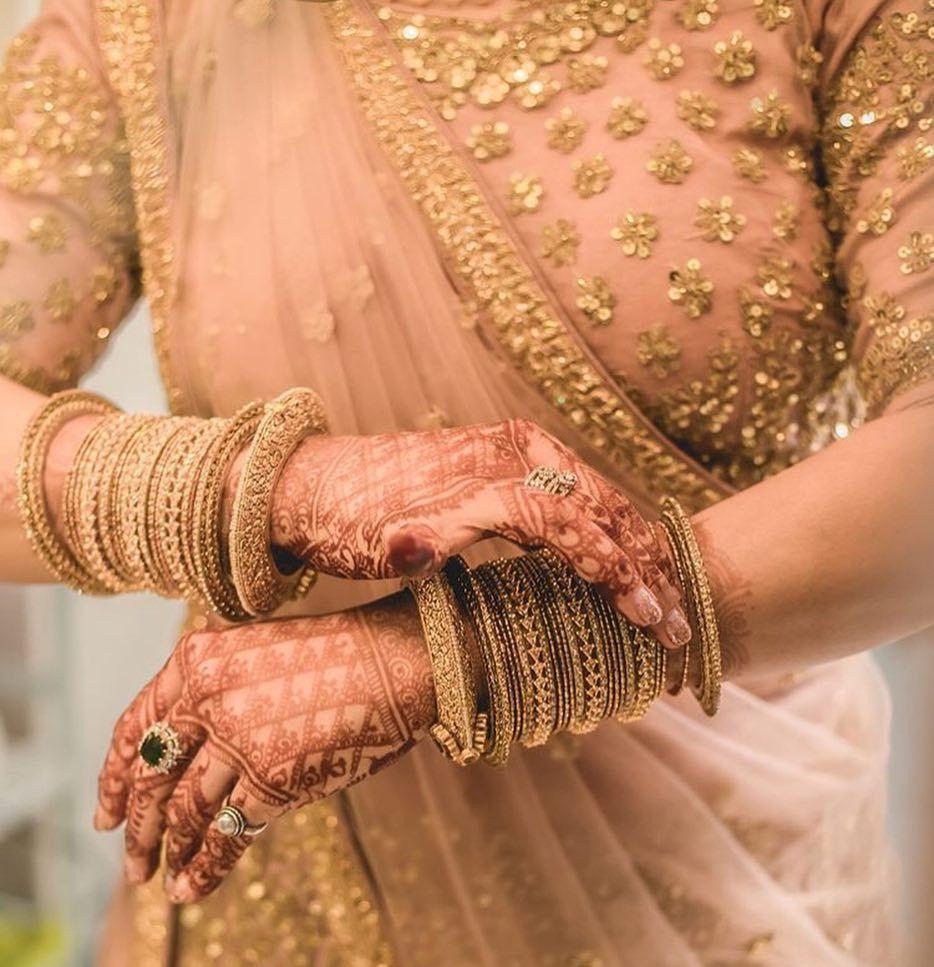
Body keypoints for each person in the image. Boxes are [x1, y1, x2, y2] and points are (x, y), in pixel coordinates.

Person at [0, 0, 931, 963]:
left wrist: (457, 653)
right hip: (288, 881)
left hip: (720, 877)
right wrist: (271, 489)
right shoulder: (157, 20)